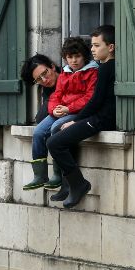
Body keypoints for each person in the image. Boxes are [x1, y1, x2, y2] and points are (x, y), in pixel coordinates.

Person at [46, 25, 115, 208]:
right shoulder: (104, 66)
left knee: (55, 142)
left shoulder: (106, 68)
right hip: (95, 117)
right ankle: (70, 184)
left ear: (110, 47)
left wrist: (75, 121)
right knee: (58, 138)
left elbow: (95, 101)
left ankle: (78, 184)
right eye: (92, 45)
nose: (92, 49)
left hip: (101, 120)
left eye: (96, 45)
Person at [19, 37, 98, 191]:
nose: (44, 80)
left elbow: (90, 97)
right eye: (38, 79)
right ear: (65, 58)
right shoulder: (65, 75)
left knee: (56, 127)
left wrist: (68, 109)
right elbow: (56, 96)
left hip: (76, 112)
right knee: (39, 131)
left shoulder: (91, 72)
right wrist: (54, 109)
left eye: (45, 73)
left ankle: (57, 173)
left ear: (53, 67)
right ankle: (40, 175)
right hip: (61, 110)